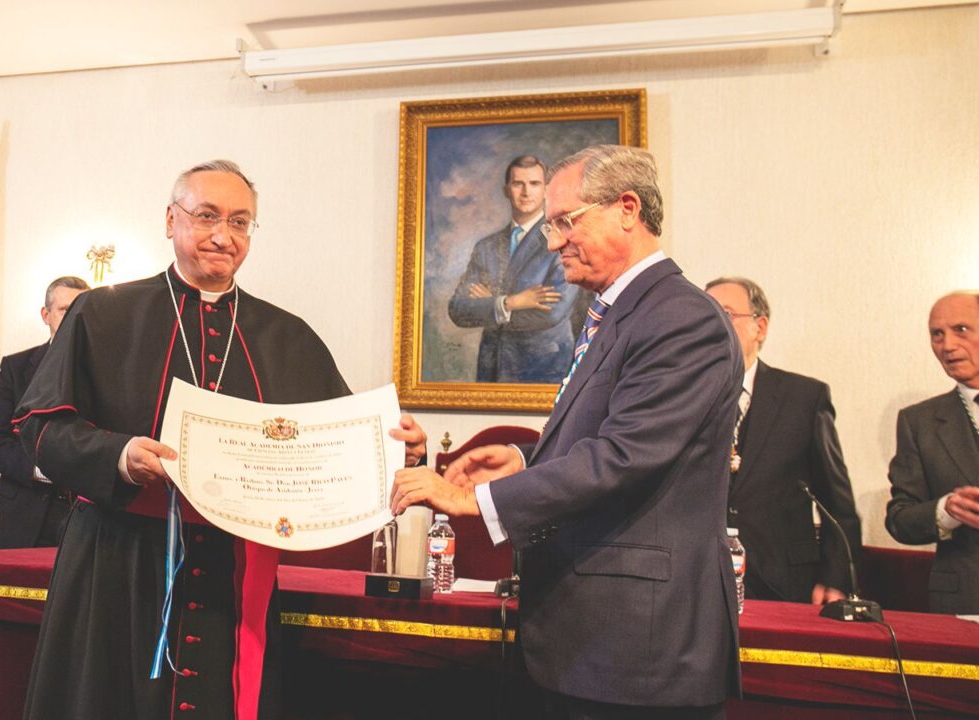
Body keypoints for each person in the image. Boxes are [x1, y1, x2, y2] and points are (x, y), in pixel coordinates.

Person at [13, 160, 427, 720]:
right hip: (119, 560)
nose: (222, 235)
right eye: (206, 216)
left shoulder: (288, 336)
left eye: (239, 222)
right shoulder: (103, 313)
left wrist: (402, 449)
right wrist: (118, 455)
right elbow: (39, 430)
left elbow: (343, 446)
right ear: (170, 220)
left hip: (236, 568)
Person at [394, 145, 741, 719]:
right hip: (596, 644)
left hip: (637, 653)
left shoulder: (681, 317)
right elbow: (607, 439)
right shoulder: (616, 311)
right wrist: (524, 460)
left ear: (627, 208)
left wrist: (471, 499)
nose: (553, 242)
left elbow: (624, 457)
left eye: (564, 222)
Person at [705, 277, 862, 604]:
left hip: (784, 581)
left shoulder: (804, 398)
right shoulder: (687, 400)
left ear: (759, 327)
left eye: (726, 314)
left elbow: (837, 502)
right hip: (702, 582)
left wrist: (836, 579)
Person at [447, 155, 587, 383]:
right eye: (518, 183)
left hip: (543, 371)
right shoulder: (487, 247)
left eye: (534, 184)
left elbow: (552, 312)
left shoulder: (560, 241)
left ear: (546, 190)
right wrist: (510, 302)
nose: (526, 192)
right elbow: (458, 309)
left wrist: (491, 304)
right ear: (506, 190)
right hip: (491, 371)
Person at [0, 275, 89, 549]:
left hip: (86, 520)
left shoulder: (107, 375)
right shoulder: (15, 369)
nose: (73, 318)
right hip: (23, 515)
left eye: (80, 311)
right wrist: (44, 471)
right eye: (65, 310)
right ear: (46, 314)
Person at [886, 291, 979, 614]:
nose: (948, 345)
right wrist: (947, 511)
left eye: (961, 330)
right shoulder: (919, 422)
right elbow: (899, 520)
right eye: (936, 334)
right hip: (964, 603)